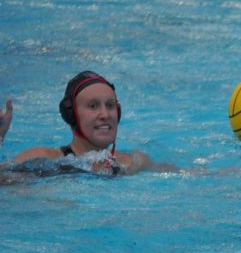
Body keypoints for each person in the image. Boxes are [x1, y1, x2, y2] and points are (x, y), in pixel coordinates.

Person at [5, 71, 172, 175]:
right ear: (71, 115)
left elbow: (187, 174)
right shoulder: (43, 158)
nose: (105, 114)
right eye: (93, 106)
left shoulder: (133, 163)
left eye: (110, 105)